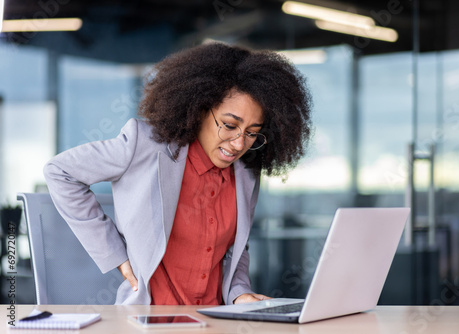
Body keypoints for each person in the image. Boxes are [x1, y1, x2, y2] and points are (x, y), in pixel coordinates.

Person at [43, 42, 312, 305]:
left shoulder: (245, 173)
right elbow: (60, 171)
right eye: (230, 125)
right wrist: (115, 255)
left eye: (252, 132)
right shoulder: (144, 145)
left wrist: (239, 292)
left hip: (215, 321)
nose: (240, 143)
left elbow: (237, 248)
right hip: (150, 321)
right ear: (200, 109)